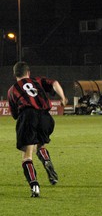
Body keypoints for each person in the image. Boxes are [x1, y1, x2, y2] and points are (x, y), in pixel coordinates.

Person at [8, 61, 68, 197]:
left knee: (27, 155)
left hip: (28, 115)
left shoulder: (12, 90)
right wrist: (63, 98)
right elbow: (55, 83)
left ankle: (34, 186)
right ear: (28, 73)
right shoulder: (37, 81)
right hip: (46, 118)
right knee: (40, 145)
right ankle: (46, 161)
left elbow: (15, 115)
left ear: (15, 75)